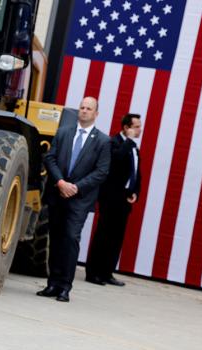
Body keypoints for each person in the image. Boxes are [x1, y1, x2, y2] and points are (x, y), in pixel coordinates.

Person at [36, 96, 111, 302]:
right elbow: (50, 158)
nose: (84, 111)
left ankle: (64, 287)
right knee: (57, 237)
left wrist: (76, 187)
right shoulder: (63, 133)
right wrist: (60, 182)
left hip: (80, 200)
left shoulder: (103, 141)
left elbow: (102, 172)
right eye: (82, 107)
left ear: (96, 114)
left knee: (70, 238)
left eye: (89, 108)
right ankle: (52, 284)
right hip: (57, 194)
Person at [85, 113, 142, 287]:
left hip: (124, 199)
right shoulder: (114, 142)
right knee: (104, 234)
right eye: (137, 126)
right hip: (111, 198)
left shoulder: (133, 147)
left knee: (116, 237)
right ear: (126, 128)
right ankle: (93, 272)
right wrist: (128, 141)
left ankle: (107, 272)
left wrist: (135, 191)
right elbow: (115, 160)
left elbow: (136, 171)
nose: (140, 129)